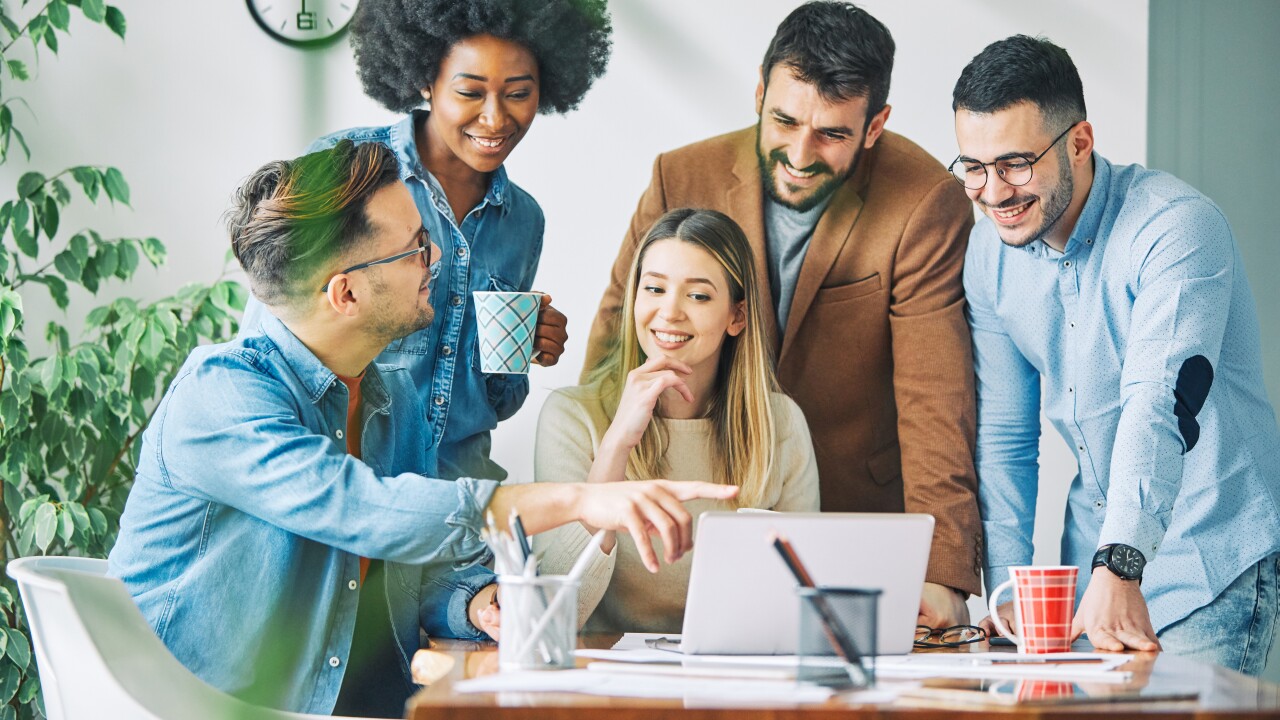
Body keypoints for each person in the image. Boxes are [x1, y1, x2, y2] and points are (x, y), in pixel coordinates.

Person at [108, 141, 737, 717]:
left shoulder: (395, 398)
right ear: (345, 294)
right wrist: (581, 497)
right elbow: (362, 508)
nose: (437, 256)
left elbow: (414, 565)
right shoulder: (221, 395)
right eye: (415, 247)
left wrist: (469, 603)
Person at [583, 1, 982, 627]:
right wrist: (593, 492)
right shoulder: (680, 175)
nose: (800, 153)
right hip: (694, 511)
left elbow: (936, 397)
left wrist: (941, 573)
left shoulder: (925, 200)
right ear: (760, 91)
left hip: (855, 520)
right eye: (785, 120)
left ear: (875, 125)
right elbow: (615, 344)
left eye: (832, 134)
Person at [953, 35, 1280, 674]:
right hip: (1090, 577)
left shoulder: (1177, 227)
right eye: (973, 166)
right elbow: (1005, 438)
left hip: (1205, 558)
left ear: (1080, 142)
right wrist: (1005, 585)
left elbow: (1158, 403)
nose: (993, 193)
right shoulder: (989, 257)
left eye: (1016, 163)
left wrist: (1120, 560)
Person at [240, 0, 613, 481]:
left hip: (458, 492)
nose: (496, 119)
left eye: (519, 93)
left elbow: (493, 402)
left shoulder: (523, 220)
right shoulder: (347, 172)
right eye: (470, 92)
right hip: (348, 485)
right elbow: (265, 349)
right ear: (425, 80)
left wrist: (527, 347)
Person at [534, 208, 820, 632]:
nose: (669, 313)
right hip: (604, 680)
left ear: (737, 317)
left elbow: (801, 604)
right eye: (654, 289)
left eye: (699, 296)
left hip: (735, 676)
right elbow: (554, 615)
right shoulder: (573, 417)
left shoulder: (780, 424)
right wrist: (616, 445)